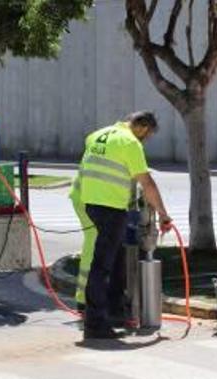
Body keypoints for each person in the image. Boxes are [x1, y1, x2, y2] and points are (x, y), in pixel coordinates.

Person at [70, 111, 171, 339]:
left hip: (90, 203)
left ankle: (114, 311)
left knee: (116, 260)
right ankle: (95, 324)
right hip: (110, 208)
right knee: (102, 265)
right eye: (148, 135)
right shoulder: (130, 143)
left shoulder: (98, 134)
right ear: (143, 128)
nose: (146, 140)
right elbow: (147, 182)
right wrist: (163, 214)